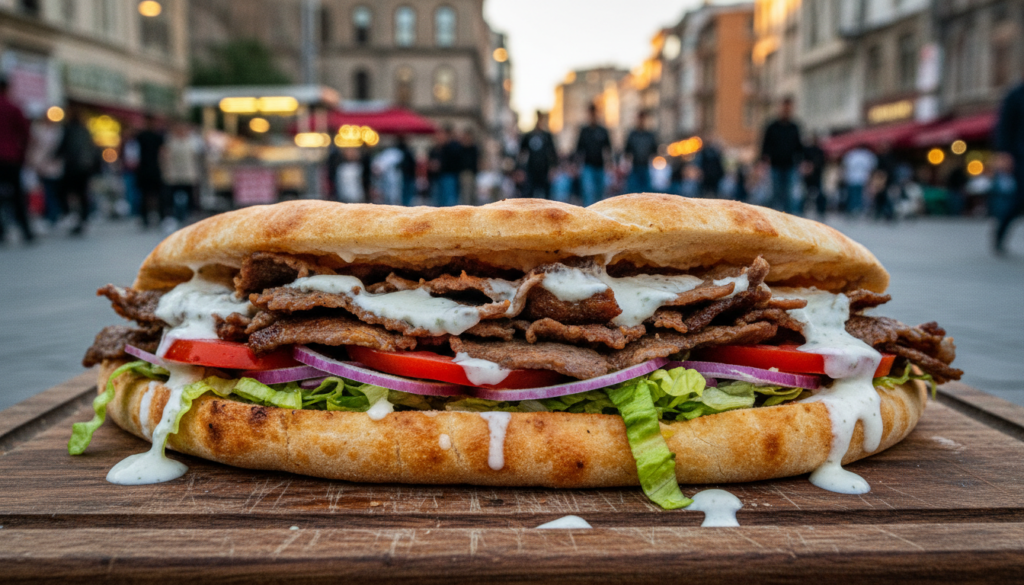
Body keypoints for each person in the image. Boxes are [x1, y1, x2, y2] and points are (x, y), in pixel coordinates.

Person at [0, 75, 35, 244]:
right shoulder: (14, 108)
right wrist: (22, 154)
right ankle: (26, 231)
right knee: (17, 196)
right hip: (11, 157)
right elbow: (26, 134)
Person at [56, 107, 99, 236]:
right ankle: (83, 218)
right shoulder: (85, 131)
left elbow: (62, 147)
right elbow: (93, 149)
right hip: (84, 168)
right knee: (82, 194)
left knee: (65, 192)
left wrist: (53, 157)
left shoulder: (68, 130)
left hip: (72, 168)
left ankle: (71, 216)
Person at [994, 78, 1024, 255]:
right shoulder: (1016, 94)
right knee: (1019, 199)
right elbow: (1005, 126)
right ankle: (1000, 232)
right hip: (1020, 156)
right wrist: (1004, 153)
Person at [759, 97, 803, 213]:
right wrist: (763, 162)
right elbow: (765, 146)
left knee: (790, 195)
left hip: (790, 166)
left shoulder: (795, 127)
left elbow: (799, 147)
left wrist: (803, 162)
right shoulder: (772, 127)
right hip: (775, 166)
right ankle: (774, 217)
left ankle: (789, 218)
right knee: (775, 194)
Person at [162, 120, 202, 229]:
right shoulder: (170, 141)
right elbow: (165, 157)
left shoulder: (192, 141)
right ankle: (172, 217)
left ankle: (189, 216)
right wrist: (166, 171)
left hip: (189, 173)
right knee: (171, 197)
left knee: (189, 197)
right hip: (174, 174)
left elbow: (197, 158)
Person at [27, 113, 65, 226]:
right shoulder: (39, 129)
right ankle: (49, 214)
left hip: (52, 165)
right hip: (41, 164)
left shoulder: (57, 131)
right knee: (44, 190)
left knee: (50, 190)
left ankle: (52, 215)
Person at [575, 103, 611, 206]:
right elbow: (578, 150)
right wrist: (576, 165)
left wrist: (610, 164)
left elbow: (608, 149)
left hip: (601, 166)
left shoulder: (603, 131)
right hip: (588, 167)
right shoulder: (584, 131)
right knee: (588, 193)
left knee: (600, 194)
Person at [134, 115, 165, 229]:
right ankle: (160, 217)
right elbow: (163, 153)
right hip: (154, 169)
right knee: (158, 194)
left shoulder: (140, 136)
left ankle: (145, 218)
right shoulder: (158, 137)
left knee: (144, 195)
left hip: (144, 169)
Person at [519, 111, 557, 199]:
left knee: (546, 197)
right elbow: (522, 153)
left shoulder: (547, 136)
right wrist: (520, 169)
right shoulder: (528, 135)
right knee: (529, 196)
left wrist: (553, 169)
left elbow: (553, 153)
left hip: (544, 170)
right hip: (531, 170)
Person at [624, 110, 657, 193]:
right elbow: (627, 151)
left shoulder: (650, 135)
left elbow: (654, 151)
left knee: (647, 192)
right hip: (635, 167)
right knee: (634, 191)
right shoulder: (632, 135)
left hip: (646, 166)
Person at [841, 144, 877, 217]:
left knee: (852, 195)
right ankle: (858, 210)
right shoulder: (868, 155)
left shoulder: (851, 154)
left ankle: (852, 210)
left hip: (851, 177)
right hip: (863, 178)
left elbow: (845, 166)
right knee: (861, 196)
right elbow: (872, 167)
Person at [436, 125, 463, 206]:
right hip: (443, 174)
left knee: (449, 199)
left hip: (450, 174)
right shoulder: (442, 147)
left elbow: (454, 160)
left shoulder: (453, 146)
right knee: (442, 198)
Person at [801, 136, 826, 218]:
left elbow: (822, 163)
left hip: (817, 175)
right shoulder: (807, 150)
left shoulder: (820, 151)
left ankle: (821, 210)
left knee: (819, 194)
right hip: (808, 175)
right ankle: (802, 210)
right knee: (806, 194)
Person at [458, 128, 479, 205]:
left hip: (471, 173)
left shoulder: (473, 148)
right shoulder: (461, 148)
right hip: (464, 173)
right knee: (466, 194)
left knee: (471, 194)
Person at [396, 135, 417, 206]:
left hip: (407, 173)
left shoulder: (400, 150)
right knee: (407, 191)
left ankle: (405, 204)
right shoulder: (405, 150)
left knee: (405, 191)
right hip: (407, 173)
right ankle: (406, 205)